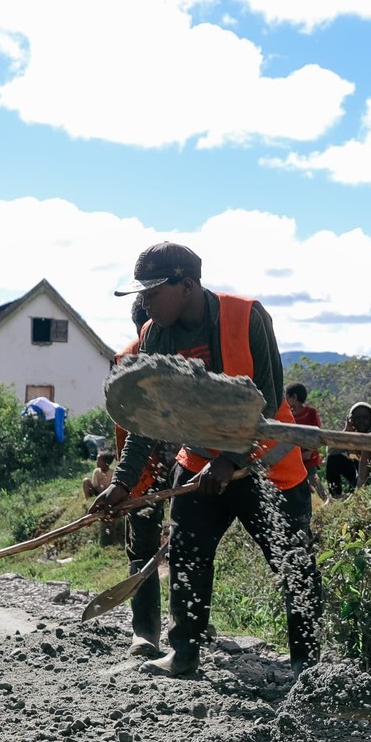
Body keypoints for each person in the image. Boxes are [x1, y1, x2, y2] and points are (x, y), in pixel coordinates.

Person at [94, 242, 323, 678]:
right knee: (186, 557)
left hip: (265, 464)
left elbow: (270, 396)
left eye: (153, 292)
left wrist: (232, 458)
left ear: (188, 285)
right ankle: (184, 653)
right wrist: (122, 482)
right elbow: (148, 418)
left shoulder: (245, 316)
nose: (144, 302)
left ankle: (306, 667)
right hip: (200, 463)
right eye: (140, 294)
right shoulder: (154, 336)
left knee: (293, 562)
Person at [107, 295, 174, 659]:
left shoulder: (185, 355)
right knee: (151, 546)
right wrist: (126, 481)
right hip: (147, 467)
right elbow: (128, 427)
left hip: (187, 464)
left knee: (185, 543)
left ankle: (176, 629)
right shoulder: (128, 360)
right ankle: (148, 632)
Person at [325, 402, 371, 497]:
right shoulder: (352, 436)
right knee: (333, 458)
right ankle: (336, 495)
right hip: (357, 471)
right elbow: (331, 450)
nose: (361, 421)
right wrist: (346, 431)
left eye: (365, 418)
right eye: (357, 418)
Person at [286, 382, 325, 494]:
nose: (285, 400)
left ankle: (326, 500)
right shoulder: (288, 414)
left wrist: (309, 451)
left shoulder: (311, 412)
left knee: (312, 478)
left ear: (294, 397)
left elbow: (317, 433)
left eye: (287, 397)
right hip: (294, 454)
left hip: (309, 454)